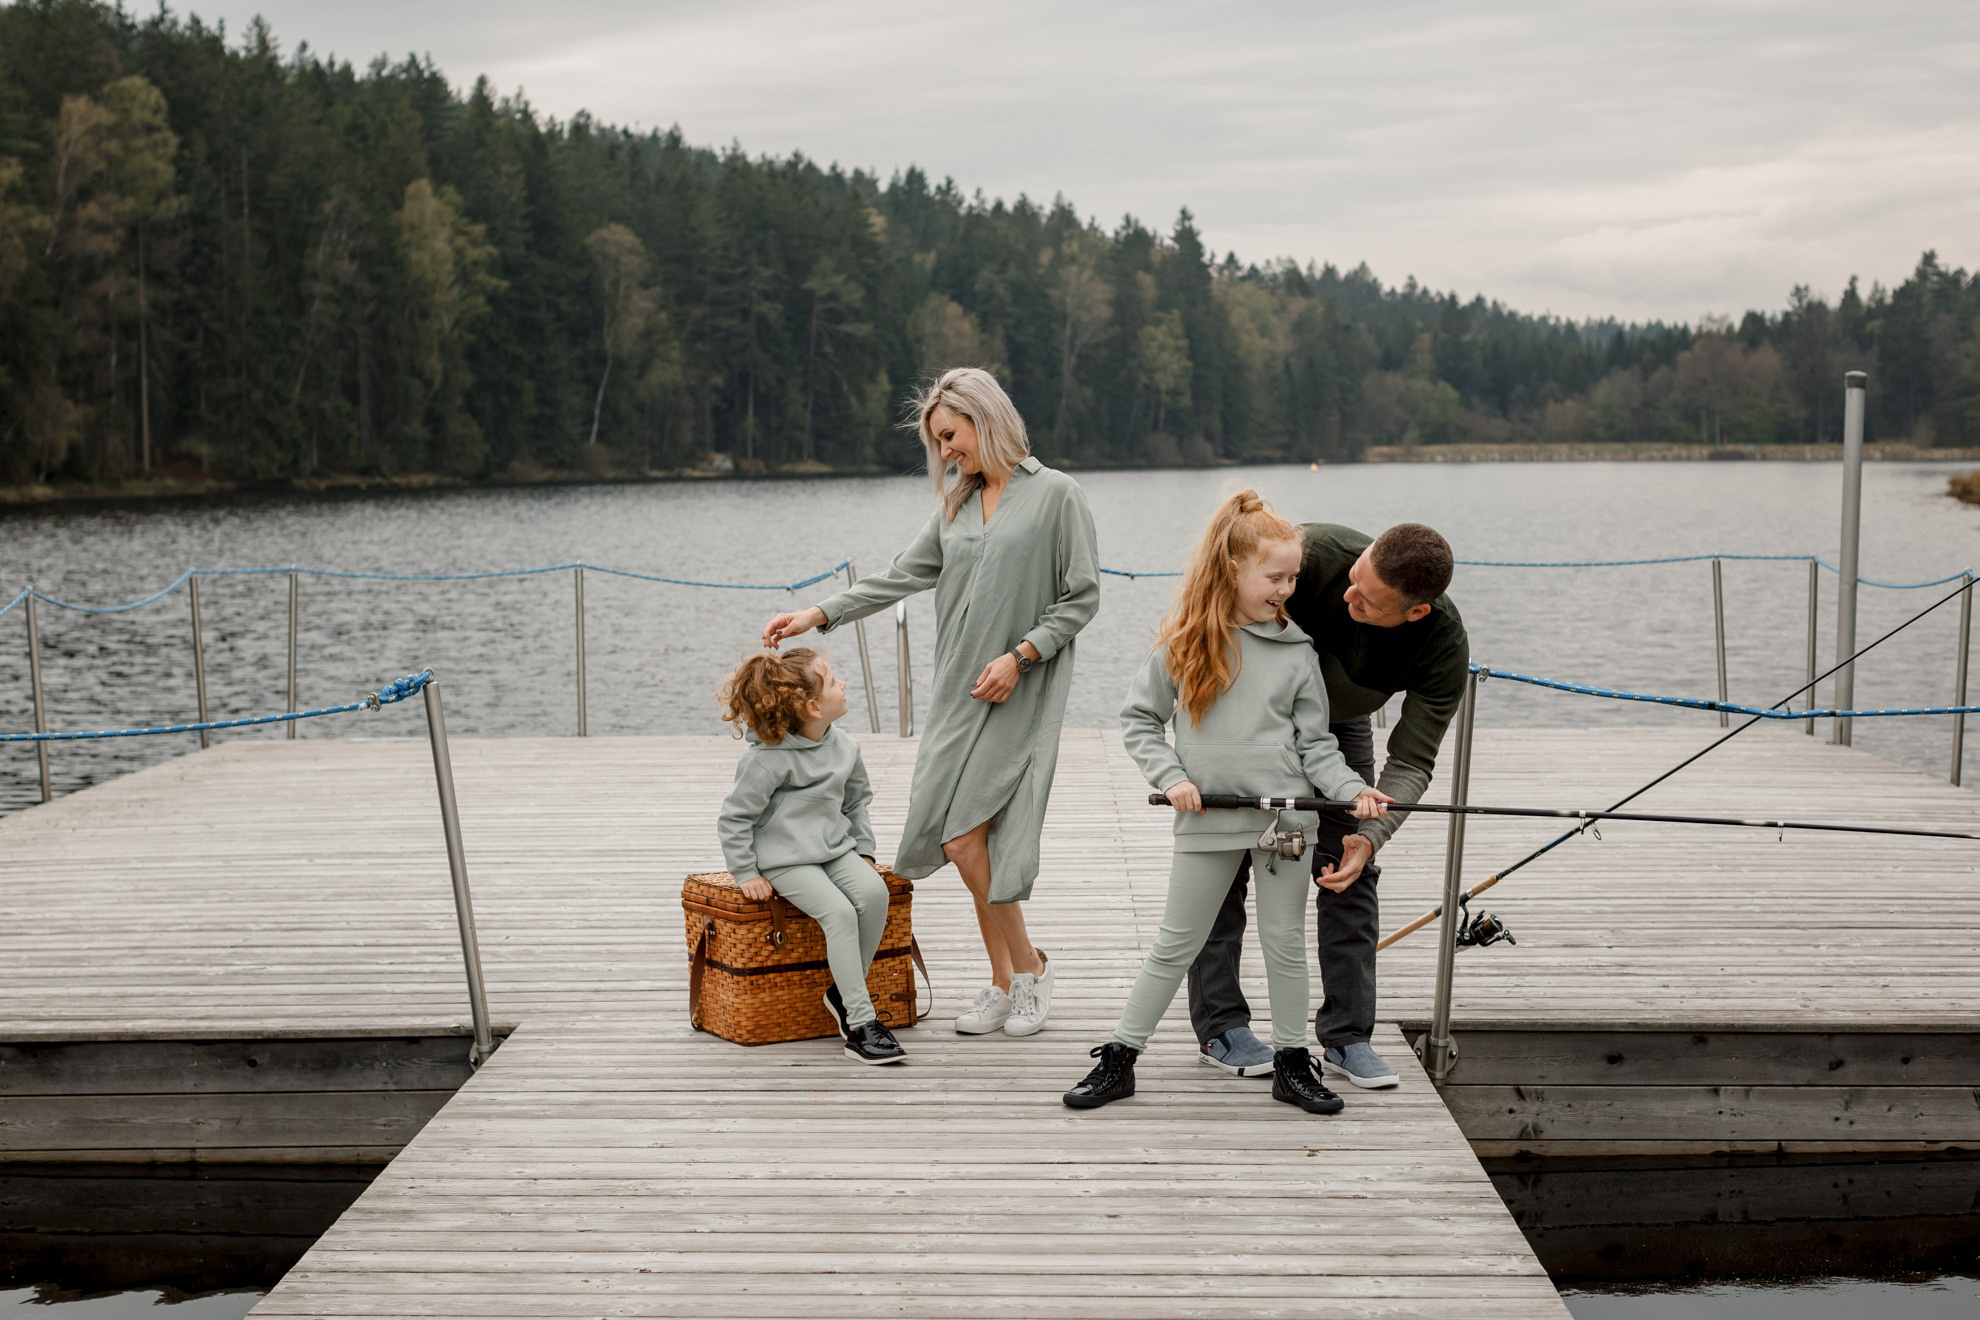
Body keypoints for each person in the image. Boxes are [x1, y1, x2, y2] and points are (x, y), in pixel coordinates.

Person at [762, 367, 1100, 1038]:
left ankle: (1027, 969)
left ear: (985, 419)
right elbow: (900, 576)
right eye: (939, 442)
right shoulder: (955, 506)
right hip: (957, 693)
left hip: (1018, 689)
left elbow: (1082, 596)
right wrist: (819, 614)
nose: (946, 452)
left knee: (966, 834)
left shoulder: (1058, 495)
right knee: (968, 839)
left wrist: (1021, 655)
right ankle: (1006, 981)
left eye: (951, 436)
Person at [1063, 491, 1391, 1113]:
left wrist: (1354, 791)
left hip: (1284, 823)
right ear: (1233, 570)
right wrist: (1171, 775)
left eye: (1294, 577)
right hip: (1207, 819)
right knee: (1176, 942)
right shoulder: (1185, 645)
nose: (1287, 589)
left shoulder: (1299, 653)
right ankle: (1122, 1057)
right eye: (1275, 576)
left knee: (1283, 942)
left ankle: (1293, 1064)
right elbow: (1139, 721)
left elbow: (1318, 747)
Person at [1187, 521, 1467, 1090]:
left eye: (1366, 600)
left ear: (1414, 613)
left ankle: (1347, 1037)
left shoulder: (1442, 646)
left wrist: (1374, 833)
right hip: (1245, 714)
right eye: (1354, 578)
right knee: (1225, 861)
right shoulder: (1313, 556)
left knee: (1351, 870)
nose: (1347, 596)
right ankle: (1221, 1027)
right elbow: (1206, 605)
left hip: (1337, 732)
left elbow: (1411, 764)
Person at [715, 648, 905, 1065]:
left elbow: (856, 805)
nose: (843, 685)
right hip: (786, 860)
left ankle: (841, 992)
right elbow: (734, 819)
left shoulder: (847, 747)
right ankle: (860, 1023)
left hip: (835, 849)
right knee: (838, 912)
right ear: (814, 706)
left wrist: (866, 852)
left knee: (874, 893)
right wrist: (746, 871)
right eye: (835, 681)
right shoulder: (766, 761)